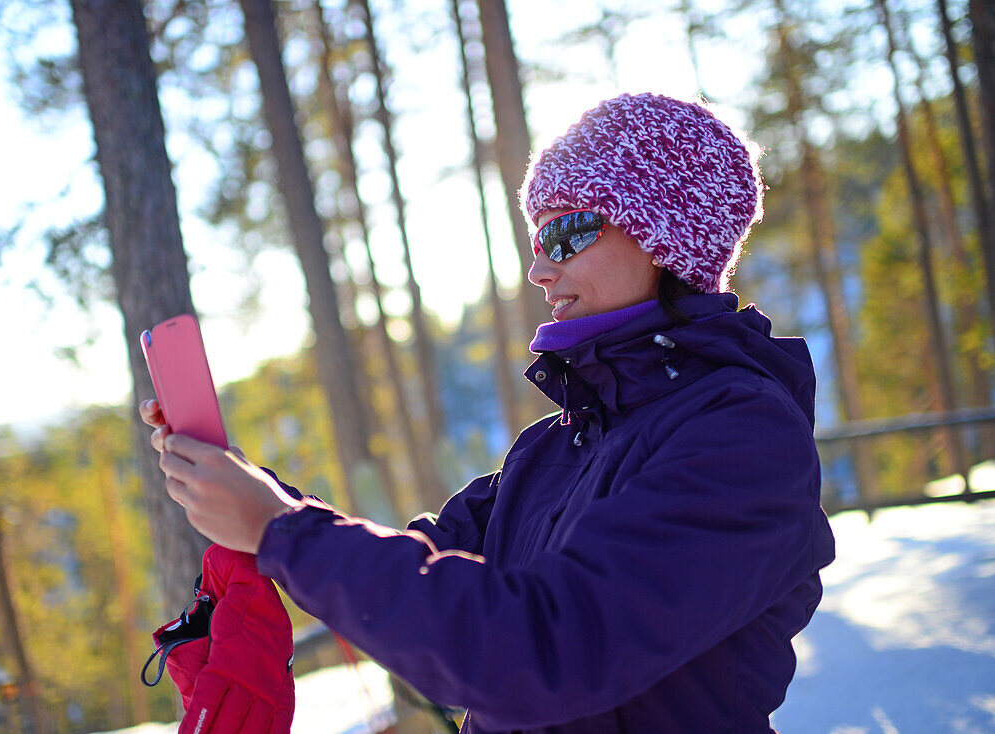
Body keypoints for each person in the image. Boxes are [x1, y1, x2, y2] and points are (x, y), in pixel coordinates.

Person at [143, 92, 836, 733]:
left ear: (664, 237)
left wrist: (280, 530)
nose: (540, 269)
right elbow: (425, 575)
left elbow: (544, 651)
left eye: (565, 235)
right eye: (536, 241)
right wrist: (255, 496)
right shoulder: (559, 447)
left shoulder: (742, 436)